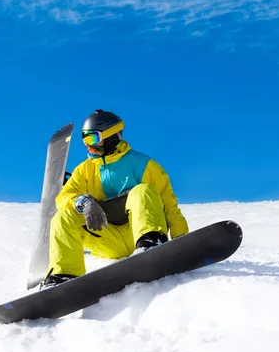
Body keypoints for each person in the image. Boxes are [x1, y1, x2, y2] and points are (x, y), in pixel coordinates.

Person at [42, 109, 189, 288]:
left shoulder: (143, 165)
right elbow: (62, 198)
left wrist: (184, 241)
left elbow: (169, 205)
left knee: (142, 191)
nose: (88, 145)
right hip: (108, 237)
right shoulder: (84, 170)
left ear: (111, 136)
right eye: (85, 139)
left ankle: (151, 244)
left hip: (140, 231)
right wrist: (82, 202)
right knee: (62, 217)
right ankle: (64, 276)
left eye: (92, 138)